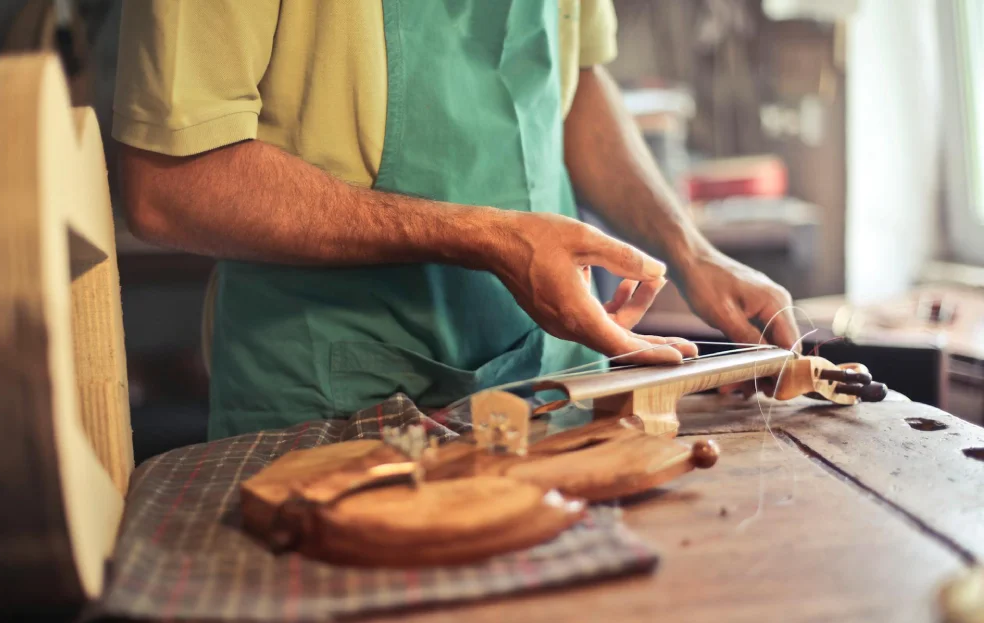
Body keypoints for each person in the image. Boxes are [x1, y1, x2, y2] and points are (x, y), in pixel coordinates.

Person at [113, 0, 799, 439]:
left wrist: (690, 250)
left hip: (561, 387)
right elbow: (170, 184)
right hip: (334, 405)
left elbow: (576, 76)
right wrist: (491, 239)